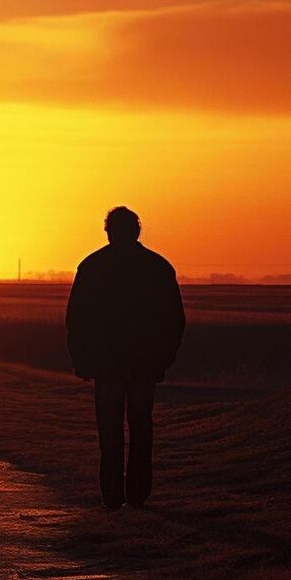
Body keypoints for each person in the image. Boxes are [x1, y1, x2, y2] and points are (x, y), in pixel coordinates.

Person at [65, 206, 186, 509]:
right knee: (140, 427)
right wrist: (163, 358)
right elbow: (174, 320)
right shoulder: (157, 267)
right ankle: (136, 494)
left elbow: (77, 320)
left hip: (110, 364)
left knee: (111, 430)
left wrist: (82, 359)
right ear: (137, 231)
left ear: (108, 231)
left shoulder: (93, 267)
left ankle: (114, 495)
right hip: (142, 363)